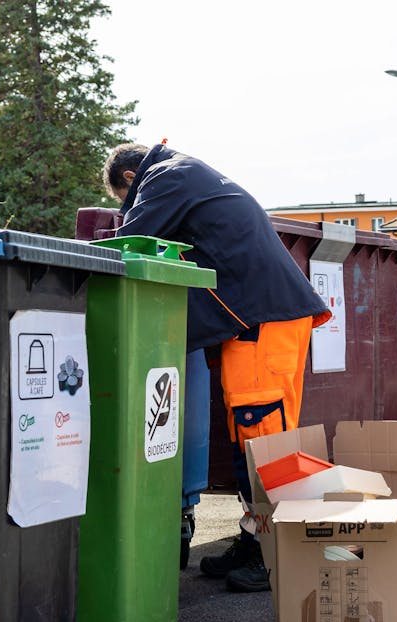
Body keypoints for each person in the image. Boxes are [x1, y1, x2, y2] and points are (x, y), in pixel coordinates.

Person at [102, 142, 331, 592]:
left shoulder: (166, 177)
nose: (130, 205)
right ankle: (255, 540)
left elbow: (134, 240)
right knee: (250, 433)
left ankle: (276, 557)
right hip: (257, 315)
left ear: (130, 179)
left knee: (266, 437)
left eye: (124, 200)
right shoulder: (187, 174)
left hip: (265, 316)